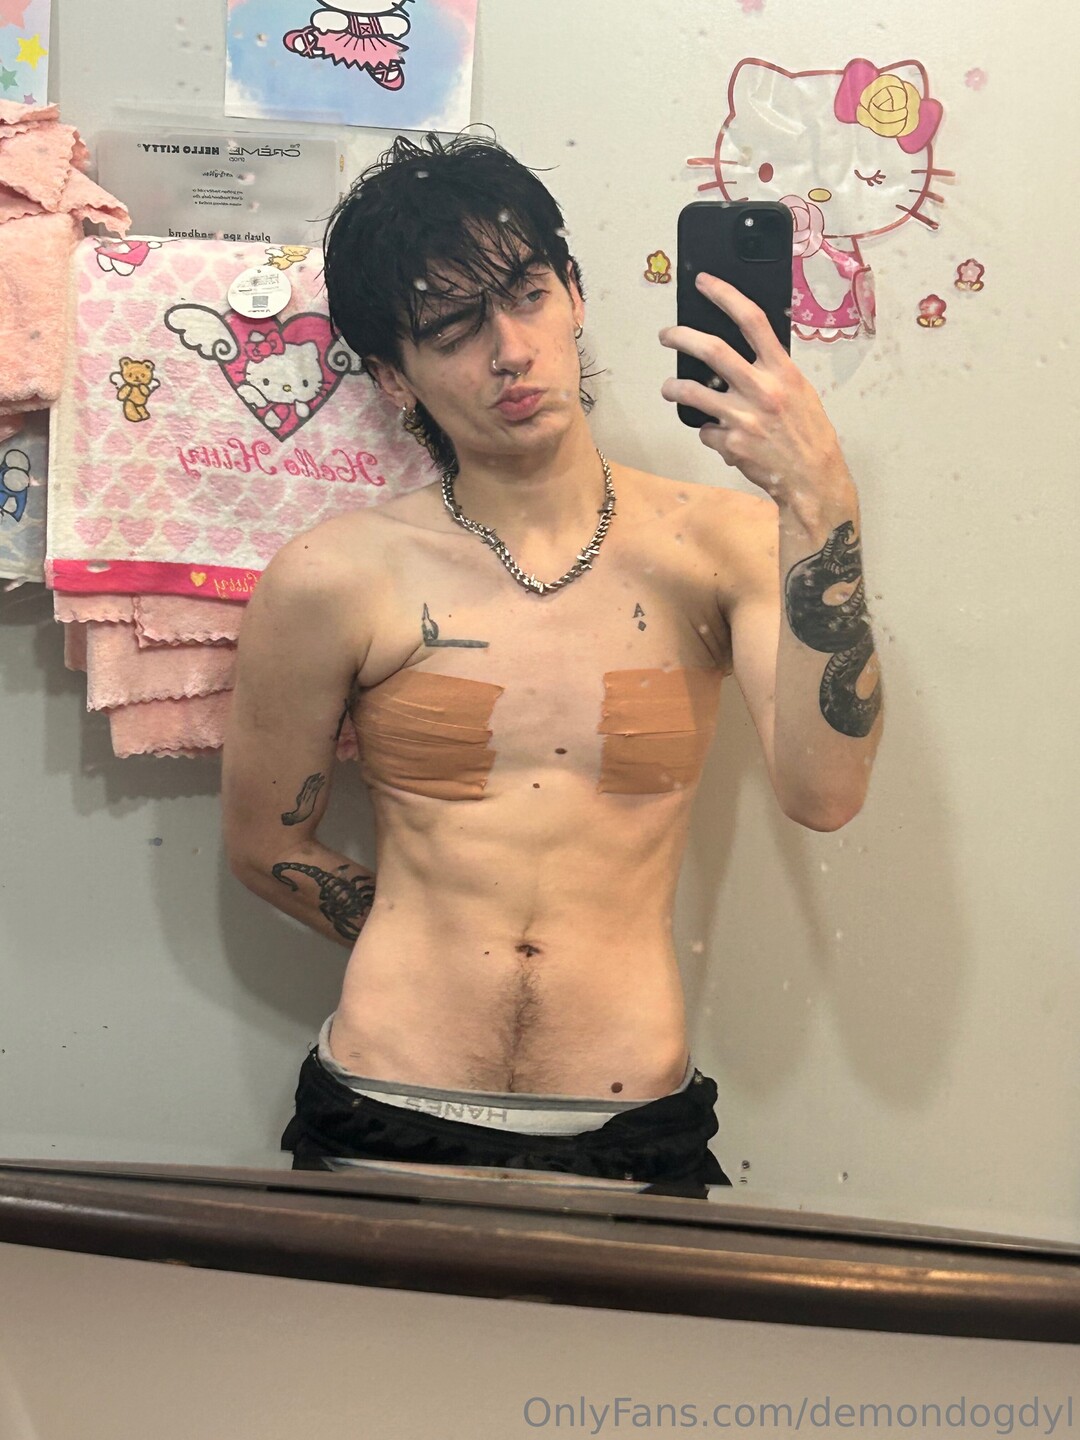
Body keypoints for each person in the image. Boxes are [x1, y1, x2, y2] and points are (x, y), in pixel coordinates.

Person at [222, 131, 884, 1191]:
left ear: (574, 294)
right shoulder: (334, 576)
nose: (509, 352)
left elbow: (826, 794)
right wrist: (432, 932)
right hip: (384, 1108)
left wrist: (821, 497)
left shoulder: (724, 548)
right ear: (392, 377)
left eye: (527, 296)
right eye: (451, 329)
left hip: (631, 1116)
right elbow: (266, 845)